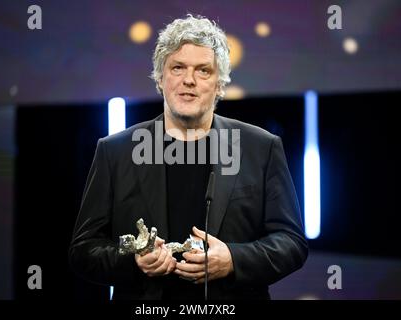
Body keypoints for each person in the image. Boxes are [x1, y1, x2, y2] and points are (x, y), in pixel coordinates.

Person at [69, 14, 308, 300]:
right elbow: (83, 250)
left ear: (220, 83)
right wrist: (133, 261)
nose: (189, 80)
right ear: (160, 78)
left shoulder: (261, 148)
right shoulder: (116, 151)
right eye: (178, 68)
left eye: (203, 70)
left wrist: (233, 259)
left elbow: (292, 243)